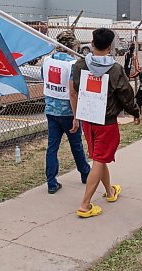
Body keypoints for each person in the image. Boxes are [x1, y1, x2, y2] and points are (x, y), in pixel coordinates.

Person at [70, 28, 141, 218]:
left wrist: (76, 115)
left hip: (88, 120)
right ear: (110, 46)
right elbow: (126, 94)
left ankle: (110, 191)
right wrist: (135, 112)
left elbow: (75, 89)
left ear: (92, 44)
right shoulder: (115, 69)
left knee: (99, 159)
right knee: (100, 160)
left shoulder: (79, 66)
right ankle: (85, 205)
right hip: (106, 122)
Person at [43, 31, 90, 194]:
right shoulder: (73, 64)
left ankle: (51, 182)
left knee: (52, 147)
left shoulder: (47, 61)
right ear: (72, 46)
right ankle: (85, 173)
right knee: (76, 145)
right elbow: (73, 92)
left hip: (50, 109)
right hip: (68, 112)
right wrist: (77, 116)